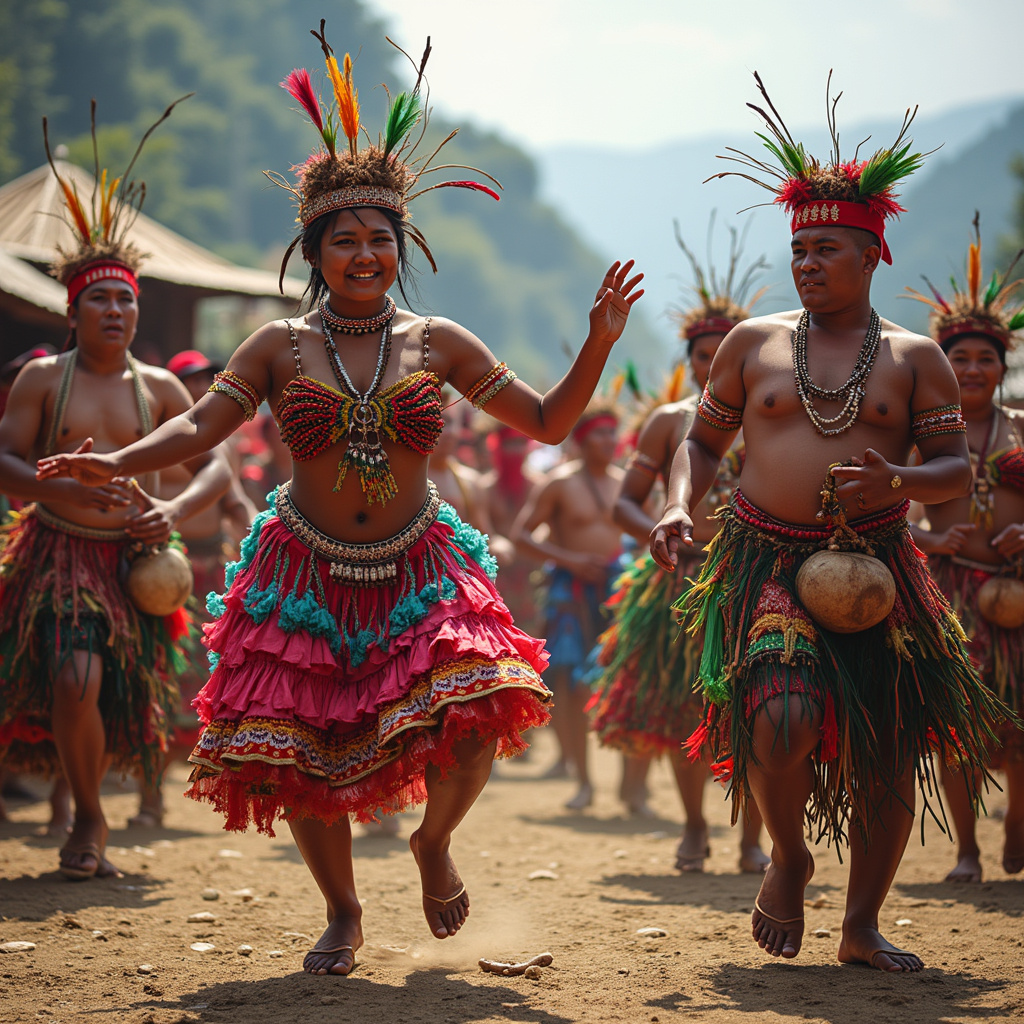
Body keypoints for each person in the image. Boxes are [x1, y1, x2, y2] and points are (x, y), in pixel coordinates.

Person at [37, 29, 643, 976]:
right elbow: (198, 429)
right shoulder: (277, 345)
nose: (365, 252)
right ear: (315, 251)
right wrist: (116, 459)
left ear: (402, 248)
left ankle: (432, 844)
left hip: (422, 561)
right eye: (344, 239)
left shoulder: (440, 340)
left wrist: (599, 343)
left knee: (481, 704)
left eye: (380, 238)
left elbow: (550, 424)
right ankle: (343, 910)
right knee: (303, 750)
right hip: (304, 566)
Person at [650, 75, 1004, 973]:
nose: (808, 262)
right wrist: (679, 505)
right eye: (799, 247)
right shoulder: (753, 345)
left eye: (829, 249)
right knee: (780, 718)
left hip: (880, 563)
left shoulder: (917, 359)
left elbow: (955, 471)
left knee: (888, 750)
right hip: (766, 556)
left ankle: (859, 927)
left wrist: (898, 475)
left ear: (873, 254)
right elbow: (699, 444)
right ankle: (792, 855)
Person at [0, 98, 231, 880]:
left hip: (138, 564)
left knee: (117, 698)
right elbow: (1, 458)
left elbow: (220, 465)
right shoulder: (41, 381)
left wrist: (167, 509)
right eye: (100, 297)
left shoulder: (162, 389)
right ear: (74, 310)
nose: (116, 309)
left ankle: (97, 801)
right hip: (58, 558)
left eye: (127, 297)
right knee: (73, 677)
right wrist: (43, 483)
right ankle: (91, 818)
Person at [589, 220, 770, 872]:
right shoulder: (670, 423)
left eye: (727, 351)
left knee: (760, 702)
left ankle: (753, 838)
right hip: (678, 582)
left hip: (757, 578)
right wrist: (666, 531)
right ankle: (695, 825)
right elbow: (623, 504)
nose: (714, 362)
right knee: (685, 704)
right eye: (703, 354)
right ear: (690, 361)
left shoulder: (773, 414)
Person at [905, 216, 1024, 882]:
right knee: (957, 728)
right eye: (960, 358)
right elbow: (890, 509)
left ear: (1002, 367)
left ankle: (1017, 824)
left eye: (985, 358)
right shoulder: (923, 436)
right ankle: (968, 851)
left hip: (1016, 592)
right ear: (942, 366)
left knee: (1020, 726)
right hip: (948, 597)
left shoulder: (1022, 430)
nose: (972, 368)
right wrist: (927, 537)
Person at [513, 403, 638, 810]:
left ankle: (631, 787)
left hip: (618, 590)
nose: (609, 441)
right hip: (570, 594)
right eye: (600, 434)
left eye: (612, 433)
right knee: (567, 685)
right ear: (582, 440)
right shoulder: (558, 484)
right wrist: (570, 561)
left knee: (627, 681)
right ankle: (582, 780)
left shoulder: (627, 484)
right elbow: (521, 535)